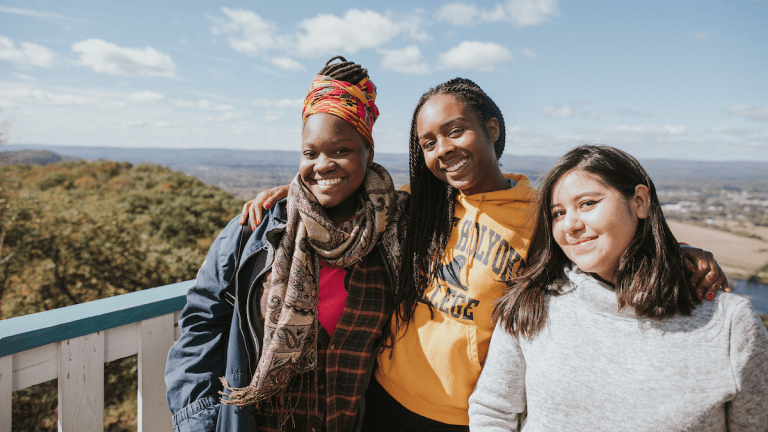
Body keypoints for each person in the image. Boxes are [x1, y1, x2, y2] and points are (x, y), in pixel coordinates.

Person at [242, 80, 728, 431]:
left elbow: (602, 249)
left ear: (492, 128)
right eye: (429, 142)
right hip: (382, 399)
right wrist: (294, 193)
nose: (442, 150)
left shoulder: (540, 217)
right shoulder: (417, 205)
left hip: (469, 416)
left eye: (455, 131)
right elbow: (347, 193)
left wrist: (681, 252)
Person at [165, 56, 408, 432]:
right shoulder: (255, 231)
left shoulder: (392, 233)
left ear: (368, 153)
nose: (323, 165)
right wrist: (199, 422)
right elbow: (201, 327)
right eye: (311, 153)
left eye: (341, 150)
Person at [468, 145, 768, 431]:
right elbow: (492, 409)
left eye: (587, 203)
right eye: (558, 213)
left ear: (639, 202)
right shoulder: (534, 304)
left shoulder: (729, 323)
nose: (569, 224)